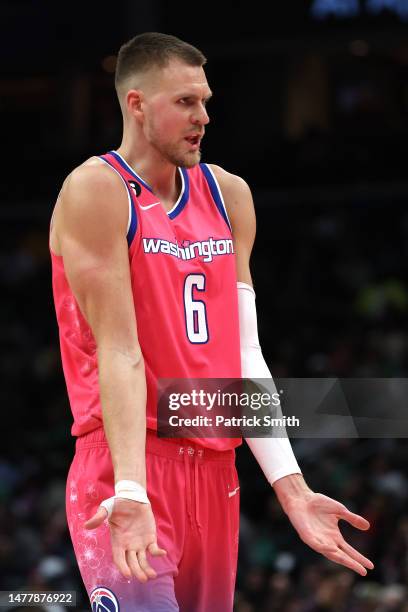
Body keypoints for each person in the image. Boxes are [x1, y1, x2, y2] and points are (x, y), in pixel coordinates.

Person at [49, 32, 374, 612]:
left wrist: (291, 488)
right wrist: (130, 488)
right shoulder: (97, 189)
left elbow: (244, 355)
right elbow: (119, 351)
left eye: (205, 101)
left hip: (216, 473)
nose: (203, 116)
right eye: (184, 102)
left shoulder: (229, 195)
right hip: (130, 460)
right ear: (137, 104)